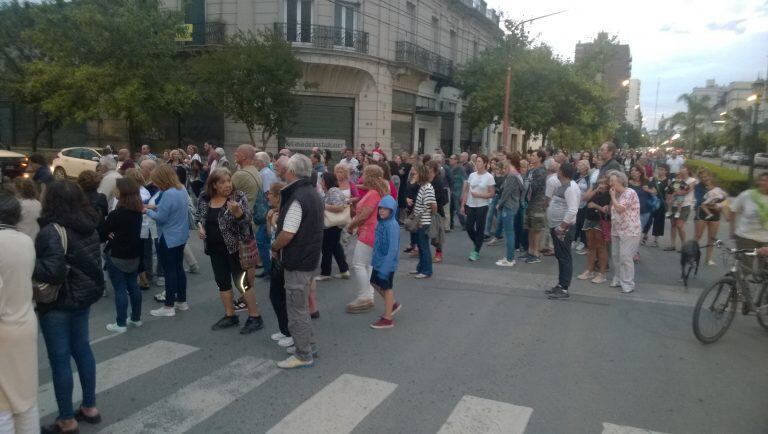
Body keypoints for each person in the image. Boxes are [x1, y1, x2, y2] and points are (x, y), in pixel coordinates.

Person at [34, 180, 104, 434]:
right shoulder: (89, 225)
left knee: (60, 359)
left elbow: (51, 272)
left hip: (58, 302)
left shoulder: (51, 231)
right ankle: (90, 407)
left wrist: (30, 262)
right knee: (83, 349)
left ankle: (66, 419)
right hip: (83, 298)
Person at [270, 154, 323, 369]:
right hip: (309, 259)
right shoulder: (313, 193)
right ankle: (309, 345)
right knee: (300, 307)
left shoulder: (297, 197)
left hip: (298, 261)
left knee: (296, 310)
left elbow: (287, 234)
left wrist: (274, 247)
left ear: (291, 172)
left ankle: (303, 355)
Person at [197, 168, 264, 334]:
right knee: (222, 282)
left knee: (242, 284)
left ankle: (255, 317)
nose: (227, 185)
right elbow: (200, 216)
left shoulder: (237, 197)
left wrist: (238, 213)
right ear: (214, 185)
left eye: (229, 180)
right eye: (222, 182)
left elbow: (248, 219)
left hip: (235, 249)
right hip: (214, 249)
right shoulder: (205, 198)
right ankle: (230, 315)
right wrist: (200, 227)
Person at [0, 192, 39, 434]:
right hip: (25, 322)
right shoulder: (24, 240)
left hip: (3, 327)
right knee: (25, 400)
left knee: (3, 405)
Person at [146, 165, 191, 317]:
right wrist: (155, 207)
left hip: (168, 236)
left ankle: (168, 306)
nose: (154, 183)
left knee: (169, 271)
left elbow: (161, 218)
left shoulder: (167, 194)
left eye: (156, 180)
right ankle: (181, 301)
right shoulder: (181, 189)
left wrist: (147, 211)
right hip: (181, 235)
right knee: (178, 268)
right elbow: (171, 209)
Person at [101, 178, 144, 333]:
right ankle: (136, 317)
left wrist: (111, 234)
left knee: (120, 288)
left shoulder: (116, 214)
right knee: (133, 286)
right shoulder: (137, 212)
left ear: (122, 193)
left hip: (117, 254)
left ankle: (120, 323)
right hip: (133, 254)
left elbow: (103, 233)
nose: (114, 191)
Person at [346, 165, 388, 312]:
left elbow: (364, 215)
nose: (362, 175)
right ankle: (368, 296)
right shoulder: (377, 191)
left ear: (369, 176)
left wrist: (351, 225)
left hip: (368, 233)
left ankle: (364, 296)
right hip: (373, 232)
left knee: (358, 264)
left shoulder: (373, 194)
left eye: (364, 173)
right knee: (368, 265)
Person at [545, 163, 580, 300]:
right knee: (561, 256)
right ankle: (560, 284)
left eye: (558, 170)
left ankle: (564, 289)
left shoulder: (570, 188)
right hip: (558, 227)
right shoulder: (563, 186)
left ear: (562, 172)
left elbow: (572, 210)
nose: (556, 173)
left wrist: (561, 227)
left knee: (564, 257)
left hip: (564, 229)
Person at [369, 195, 402, 329]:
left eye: (386, 209)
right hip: (379, 262)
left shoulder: (392, 225)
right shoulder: (382, 223)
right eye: (380, 208)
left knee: (387, 288)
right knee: (373, 282)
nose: (382, 211)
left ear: (392, 210)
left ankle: (388, 319)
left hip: (387, 264)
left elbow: (393, 248)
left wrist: (386, 267)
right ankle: (392, 304)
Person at [726, 172, 768, 275]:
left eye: (766, 181)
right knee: (745, 270)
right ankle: (740, 290)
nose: (763, 183)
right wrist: (732, 230)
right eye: (761, 180)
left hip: (766, 240)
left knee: (763, 271)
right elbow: (733, 210)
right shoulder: (747, 195)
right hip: (746, 238)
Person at [607, 170, 641, 294]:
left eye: (612, 181)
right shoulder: (617, 194)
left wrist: (612, 197)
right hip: (617, 228)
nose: (610, 183)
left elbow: (620, 208)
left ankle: (628, 283)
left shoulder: (630, 192)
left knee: (625, 257)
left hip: (630, 230)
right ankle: (618, 278)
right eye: (609, 181)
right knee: (616, 255)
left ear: (620, 181)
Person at [460, 155, 495, 261]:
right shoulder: (472, 175)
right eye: (476, 161)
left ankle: (476, 251)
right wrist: (463, 204)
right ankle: (477, 243)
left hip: (482, 206)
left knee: (480, 228)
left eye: (479, 161)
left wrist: (479, 195)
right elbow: (467, 191)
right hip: (471, 205)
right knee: (469, 226)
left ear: (485, 163)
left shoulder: (489, 177)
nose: (477, 163)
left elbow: (492, 194)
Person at [317, 172, 350, 281]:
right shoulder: (334, 190)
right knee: (336, 247)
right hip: (335, 224)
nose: (321, 183)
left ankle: (325, 273)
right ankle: (344, 270)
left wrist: (323, 205)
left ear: (326, 181)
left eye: (322, 180)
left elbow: (338, 207)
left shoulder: (332, 191)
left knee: (326, 248)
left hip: (331, 224)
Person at [577, 175, 611, 284]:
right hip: (589, 218)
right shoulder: (595, 189)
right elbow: (585, 199)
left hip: (601, 221)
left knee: (601, 246)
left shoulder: (611, 193)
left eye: (604, 182)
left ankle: (602, 273)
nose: (601, 184)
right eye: (599, 181)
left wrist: (596, 206)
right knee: (590, 245)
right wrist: (596, 189)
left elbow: (608, 211)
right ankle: (589, 270)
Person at [495, 155, 525, 267]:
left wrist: (500, 204)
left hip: (509, 206)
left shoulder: (512, 175)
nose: (503, 161)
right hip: (512, 205)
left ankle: (510, 259)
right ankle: (509, 256)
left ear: (509, 161)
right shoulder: (515, 174)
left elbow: (506, 192)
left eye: (504, 159)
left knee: (509, 233)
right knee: (510, 232)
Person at [694, 170, 727, 266]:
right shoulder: (698, 187)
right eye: (702, 177)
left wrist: (720, 205)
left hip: (716, 214)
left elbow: (724, 199)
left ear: (710, 176)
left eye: (706, 176)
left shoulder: (717, 186)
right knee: (697, 236)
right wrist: (713, 205)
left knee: (712, 238)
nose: (704, 178)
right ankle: (691, 254)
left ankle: (708, 259)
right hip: (702, 213)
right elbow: (700, 201)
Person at [410, 164, 437, 278]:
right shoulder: (423, 186)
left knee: (424, 246)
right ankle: (421, 268)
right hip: (420, 221)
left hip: (423, 222)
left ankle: (426, 271)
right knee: (421, 246)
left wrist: (424, 218)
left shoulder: (427, 187)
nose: (413, 175)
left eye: (415, 173)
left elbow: (433, 205)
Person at [522, 150, 547, 263]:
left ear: (540, 158)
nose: (531, 157)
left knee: (536, 228)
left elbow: (535, 187)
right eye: (531, 155)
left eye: (533, 156)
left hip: (538, 203)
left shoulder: (541, 171)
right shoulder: (530, 170)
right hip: (530, 202)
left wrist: (526, 185)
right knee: (530, 227)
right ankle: (530, 251)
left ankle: (536, 254)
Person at [665, 165, 696, 251]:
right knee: (673, 225)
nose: (682, 170)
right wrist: (669, 198)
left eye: (684, 168)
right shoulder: (676, 179)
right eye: (681, 168)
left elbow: (687, 191)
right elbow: (671, 190)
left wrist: (675, 193)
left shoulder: (692, 180)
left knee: (679, 225)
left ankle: (684, 245)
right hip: (674, 204)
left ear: (688, 170)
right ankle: (672, 245)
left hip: (685, 205)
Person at [628, 164, 656, 260]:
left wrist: (647, 189)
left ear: (640, 173)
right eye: (631, 170)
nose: (633, 172)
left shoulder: (646, 181)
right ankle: (631, 250)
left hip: (644, 211)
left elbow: (655, 192)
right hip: (630, 212)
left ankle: (634, 251)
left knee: (637, 232)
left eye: (635, 170)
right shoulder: (628, 183)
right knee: (630, 232)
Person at [426, 160, 447, 263]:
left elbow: (441, 197)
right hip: (426, 210)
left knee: (437, 234)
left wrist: (431, 202)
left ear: (432, 169)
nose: (426, 168)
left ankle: (439, 254)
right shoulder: (426, 179)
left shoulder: (438, 181)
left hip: (437, 211)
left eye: (428, 167)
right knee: (426, 232)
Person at [643, 164, 669, 247]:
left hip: (661, 203)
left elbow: (668, 193)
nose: (660, 171)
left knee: (658, 221)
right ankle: (645, 236)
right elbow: (649, 188)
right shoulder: (654, 179)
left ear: (666, 171)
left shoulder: (668, 181)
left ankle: (656, 240)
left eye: (662, 169)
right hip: (651, 202)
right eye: (659, 169)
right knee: (648, 220)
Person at [573, 160, 592, 254]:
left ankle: (582, 241)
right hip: (575, 202)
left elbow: (590, 189)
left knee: (582, 222)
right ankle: (574, 239)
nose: (578, 166)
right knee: (575, 222)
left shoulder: (589, 178)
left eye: (581, 165)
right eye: (578, 165)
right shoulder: (576, 176)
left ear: (586, 167)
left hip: (584, 203)